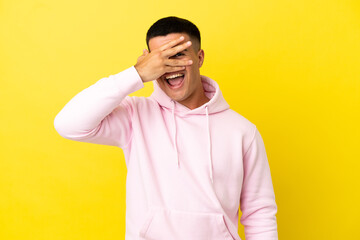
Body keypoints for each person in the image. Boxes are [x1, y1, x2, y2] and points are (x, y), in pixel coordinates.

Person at [54, 16, 278, 240]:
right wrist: (137, 74)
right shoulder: (135, 116)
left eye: (178, 54)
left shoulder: (243, 131)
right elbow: (68, 124)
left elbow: (260, 213)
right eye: (160, 58)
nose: (169, 66)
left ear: (199, 58)